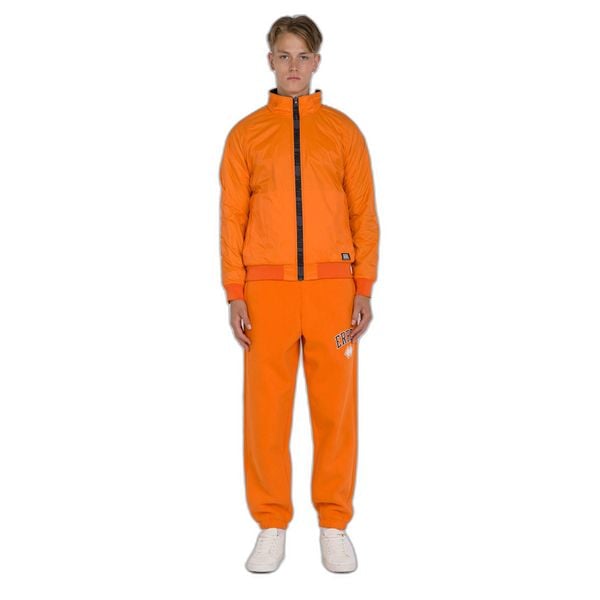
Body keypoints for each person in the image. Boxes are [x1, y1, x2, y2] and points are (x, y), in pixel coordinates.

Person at [219, 14, 380, 573]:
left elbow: (364, 215)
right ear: (270, 60)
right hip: (266, 293)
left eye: (303, 56)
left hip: (334, 291)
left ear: (317, 62)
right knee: (265, 413)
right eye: (284, 55)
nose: (293, 66)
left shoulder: (343, 132)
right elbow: (231, 218)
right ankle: (271, 523)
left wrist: (364, 286)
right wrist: (235, 292)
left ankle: (334, 523)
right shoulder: (245, 135)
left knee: (336, 412)